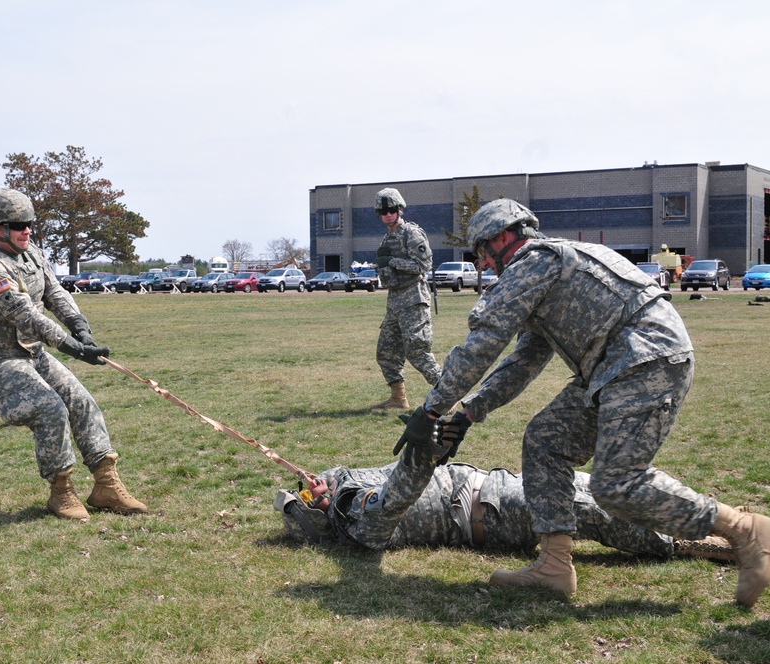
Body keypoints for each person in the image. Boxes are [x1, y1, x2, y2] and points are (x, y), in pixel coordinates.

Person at [393, 198, 770, 605]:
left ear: (504, 236)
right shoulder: (551, 266)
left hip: (645, 360)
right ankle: (554, 565)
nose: (482, 263)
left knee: (616, 485)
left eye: (482, 251)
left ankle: (744, 528)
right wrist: (468, 411)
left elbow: (480, 346)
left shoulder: (532, 265)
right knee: (544, 441)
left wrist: (431, 408)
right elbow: (523, 360)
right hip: (615, 366)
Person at [0, 188, 147, 521]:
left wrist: (80, 326)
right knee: (50, 408)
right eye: (19, 224)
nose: (28, 229)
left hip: (31, 352)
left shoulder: (32, 254)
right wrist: (72, 347)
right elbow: (26, 315)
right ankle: (61, 492)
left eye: (30, 223)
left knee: (80, 400)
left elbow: (55, 292)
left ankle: (106, 486)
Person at [273, 450, 734, 563]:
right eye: (310, 493)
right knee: (583, 507)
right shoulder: (357, 518)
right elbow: (388, 501)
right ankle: (684, 543)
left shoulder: (350, 480)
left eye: (310, 481)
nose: (314, 482)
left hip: (497, 482)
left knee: (611, 485)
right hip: (487, 508)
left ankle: (721, 517)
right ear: (317, 514)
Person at [371, 188, 442, 410]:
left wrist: (392, 261)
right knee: (386, 351)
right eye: (383, 212)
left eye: (391, 210)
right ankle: (398, 399)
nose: (388, 215)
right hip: (395, 301)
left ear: (400, 209)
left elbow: (423, 266)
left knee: (418, 352)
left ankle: (448, 396)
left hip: (413, 299)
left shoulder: (411, 234)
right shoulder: (387, 237)